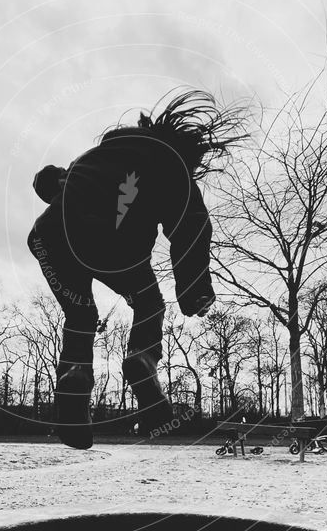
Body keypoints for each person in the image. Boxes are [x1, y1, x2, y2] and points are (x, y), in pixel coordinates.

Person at [27, 89, 244, 449]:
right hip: (117, 249)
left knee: (80, 315)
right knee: (150, 305)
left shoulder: (87, 164)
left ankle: (74, 375)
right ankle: (142, 360)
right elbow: (191, 225)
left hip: (49, 238)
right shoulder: (166, 163)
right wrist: (195, 292)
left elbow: (57, 186)